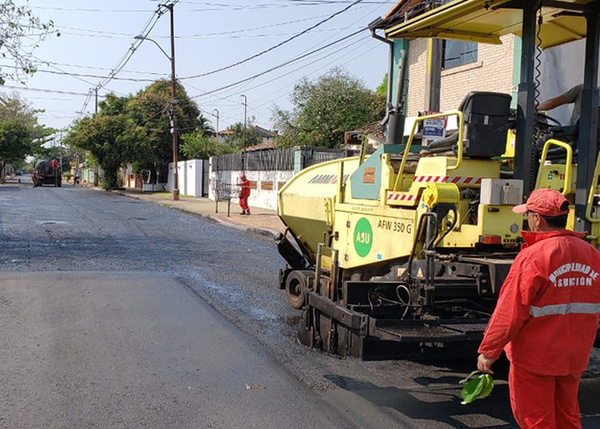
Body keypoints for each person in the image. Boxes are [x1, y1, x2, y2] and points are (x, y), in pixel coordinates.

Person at [477, 188, 600, 428]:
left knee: (536, 420)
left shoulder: (533, 258)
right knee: (568, 417)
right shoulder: (591, 254)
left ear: (538, 218)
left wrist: (489, 351)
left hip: (535, 358)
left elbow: (510, 311)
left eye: (528, 214)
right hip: (574, 356)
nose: (528, 219)